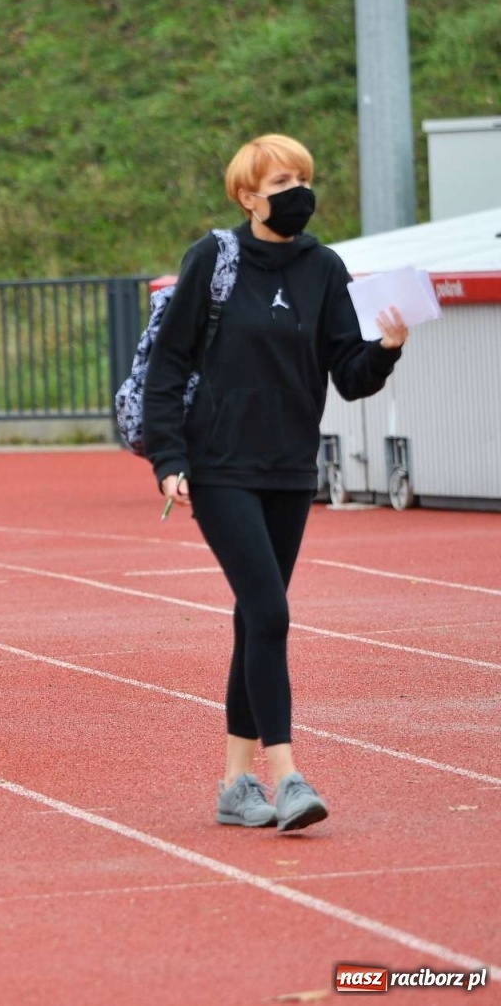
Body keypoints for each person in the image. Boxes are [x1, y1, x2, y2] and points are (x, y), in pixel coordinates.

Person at [143, 134, 407, 831]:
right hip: (219, 467)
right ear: (247, 194)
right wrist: (168, 458)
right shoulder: (214, 260)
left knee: (254, 618)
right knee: (270, 611)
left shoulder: (325, 267)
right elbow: (168, 367)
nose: (297, 190)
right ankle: (287, 774)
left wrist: (386, 347)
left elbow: (348, 374)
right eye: (281, 180)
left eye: (302, 177)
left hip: (291, 469)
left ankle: (235, 784)